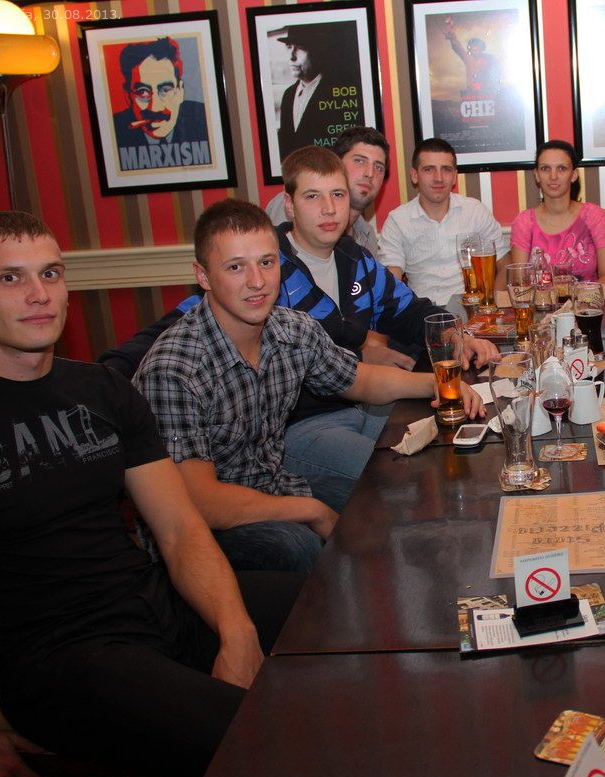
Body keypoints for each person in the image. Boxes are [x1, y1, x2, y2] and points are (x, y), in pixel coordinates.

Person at [0, 211, 302, 777]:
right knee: (266, 740)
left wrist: (235, 632)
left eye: (51, 274)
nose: (38, 294)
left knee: (335, 606)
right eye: (9, 278)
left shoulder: (101, 389)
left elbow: (179, 529)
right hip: (60, 660)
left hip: (153, 604)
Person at [102, 147, 498, 514]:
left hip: (362, 401)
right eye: (312, 197)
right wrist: (101, 381)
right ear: (290, 204)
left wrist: (457, 337)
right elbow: (174, 332)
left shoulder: (355, 259)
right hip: (299, 427)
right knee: (402, 478)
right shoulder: (263, 266)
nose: (329, 209)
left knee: (450, 446)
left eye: (338, 195)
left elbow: (410, 311)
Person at [132, 199, 485, 573]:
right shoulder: (175, 368)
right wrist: (311, 510)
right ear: (203, 276)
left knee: (379, 497)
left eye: (266, 263)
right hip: (199, 528)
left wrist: (440, 383)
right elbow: (200, 501)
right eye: (235, 267)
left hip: (273, 485)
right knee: (296, 544)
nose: (256, 281)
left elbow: (360, 379)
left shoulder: (291, 328)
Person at [379, 137, 508, 304]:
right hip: (421, 311)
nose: (438, 178)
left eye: (446, 169)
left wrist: (490, 303)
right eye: (429, 169)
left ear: (454, 176)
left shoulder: (475, 211)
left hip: (473, 308)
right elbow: (391, 279)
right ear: (414, 175)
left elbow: (505, 264)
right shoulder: (397, 220)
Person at [508, 140, 605, 287]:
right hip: (540, 302)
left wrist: (579, 299)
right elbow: (520, 282)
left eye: (562, 168)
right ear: (537, 175)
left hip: (588, 301)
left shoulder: (593, 215)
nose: (553, 176)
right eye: (545, 168)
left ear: (574, 175)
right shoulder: (524, 222)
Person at [267, 126, 389, 256]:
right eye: (359, 161)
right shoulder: (294, 203)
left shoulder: (368, 239)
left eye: (378, 167)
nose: (370, 173)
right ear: (336, 163)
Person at [111, 37, 210, 171]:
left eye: (165, 90)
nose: (155, 107)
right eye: (142, 92)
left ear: (180, 92)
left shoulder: (206, 121)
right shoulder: (113, 133)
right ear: (128, 96)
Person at [275, 25, 340, 159]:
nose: (291, 57)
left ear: (317, 51)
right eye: (289, 47)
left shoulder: (335, 92)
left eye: (300, 48)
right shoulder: (288, 94)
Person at [443, 16, 501, 98]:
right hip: (471, 94)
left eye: (477, 46)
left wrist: (492, 87)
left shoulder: (489, 58)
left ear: (481, 48)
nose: (475, 48)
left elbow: (496, 73)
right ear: (469, 48)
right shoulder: (468, 58)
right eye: (473, 46)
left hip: (486, 93)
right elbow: (458, 47)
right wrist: (452, 36)